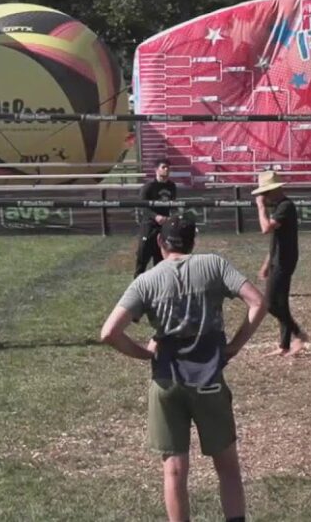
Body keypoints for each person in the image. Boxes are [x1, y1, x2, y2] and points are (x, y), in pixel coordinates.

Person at [101, 215, 267, 522]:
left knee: (174, 470)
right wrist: (233, 346)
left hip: (167, 381)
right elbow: (257, 302)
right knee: (227, 467)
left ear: (161, 243)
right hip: (209, 380)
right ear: (193, 241)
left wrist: (144, 354)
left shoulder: (146, 281)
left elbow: (109, 332)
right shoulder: (214, 265)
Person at [252, 170, 309, 357]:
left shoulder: (285, 206)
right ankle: (284, 345)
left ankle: (299, 334)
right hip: (277, 258)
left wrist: (260, 208)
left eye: (266, 193)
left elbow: (265, 229)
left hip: (285, 260)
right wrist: (267, 263)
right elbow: (275, 240)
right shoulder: (278, 206)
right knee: (280, 302)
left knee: (269, 304)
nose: (264, 197)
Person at [134, 158, 177, 278]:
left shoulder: (172, 186)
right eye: (163, 167)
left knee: (161, 262)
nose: (167, 169)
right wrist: (155, 216)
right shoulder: (148, 187)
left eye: (168, 167)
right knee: (142, 260)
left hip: (163, 229)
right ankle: (137, 289)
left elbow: (172, 206)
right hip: (149, 228)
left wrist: (171, 219)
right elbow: (142, 207)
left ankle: (159, 290)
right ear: (156, 170)